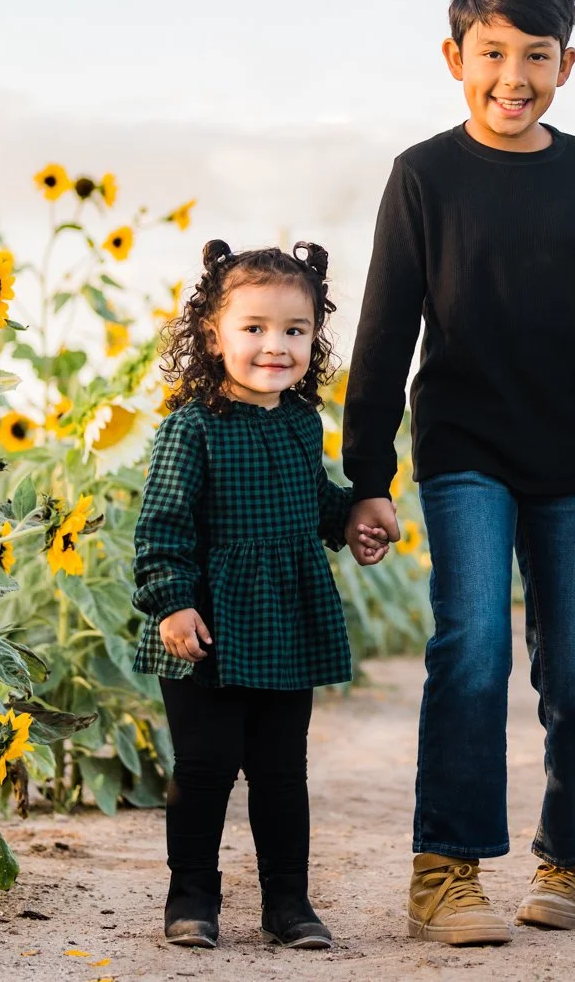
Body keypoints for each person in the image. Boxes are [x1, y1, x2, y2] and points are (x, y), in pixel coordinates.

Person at [342, 0, 575, 946]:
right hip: (465, 450)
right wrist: (367, 479)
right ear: (454, 58)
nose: (512, 77)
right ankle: (445, 871)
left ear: (567, 64)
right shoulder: (423, 175)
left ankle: (569, 860)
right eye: (491, 53)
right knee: (472, 646)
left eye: (535, 55)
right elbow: (384, 334)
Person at [131, 240, 376, 950]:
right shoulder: (191, 429)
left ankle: (287, 902)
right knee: (205, 767)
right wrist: (172, 602)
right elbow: (161, 527)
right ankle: (192, 896)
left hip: (284, 623)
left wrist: (352, 517)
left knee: (281, 771)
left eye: (295, 330)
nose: (276, 345)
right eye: (255, 328)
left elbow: (313, 500)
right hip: (205, 624)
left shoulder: (300, 423)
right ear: (214, 336)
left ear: (314, 337)